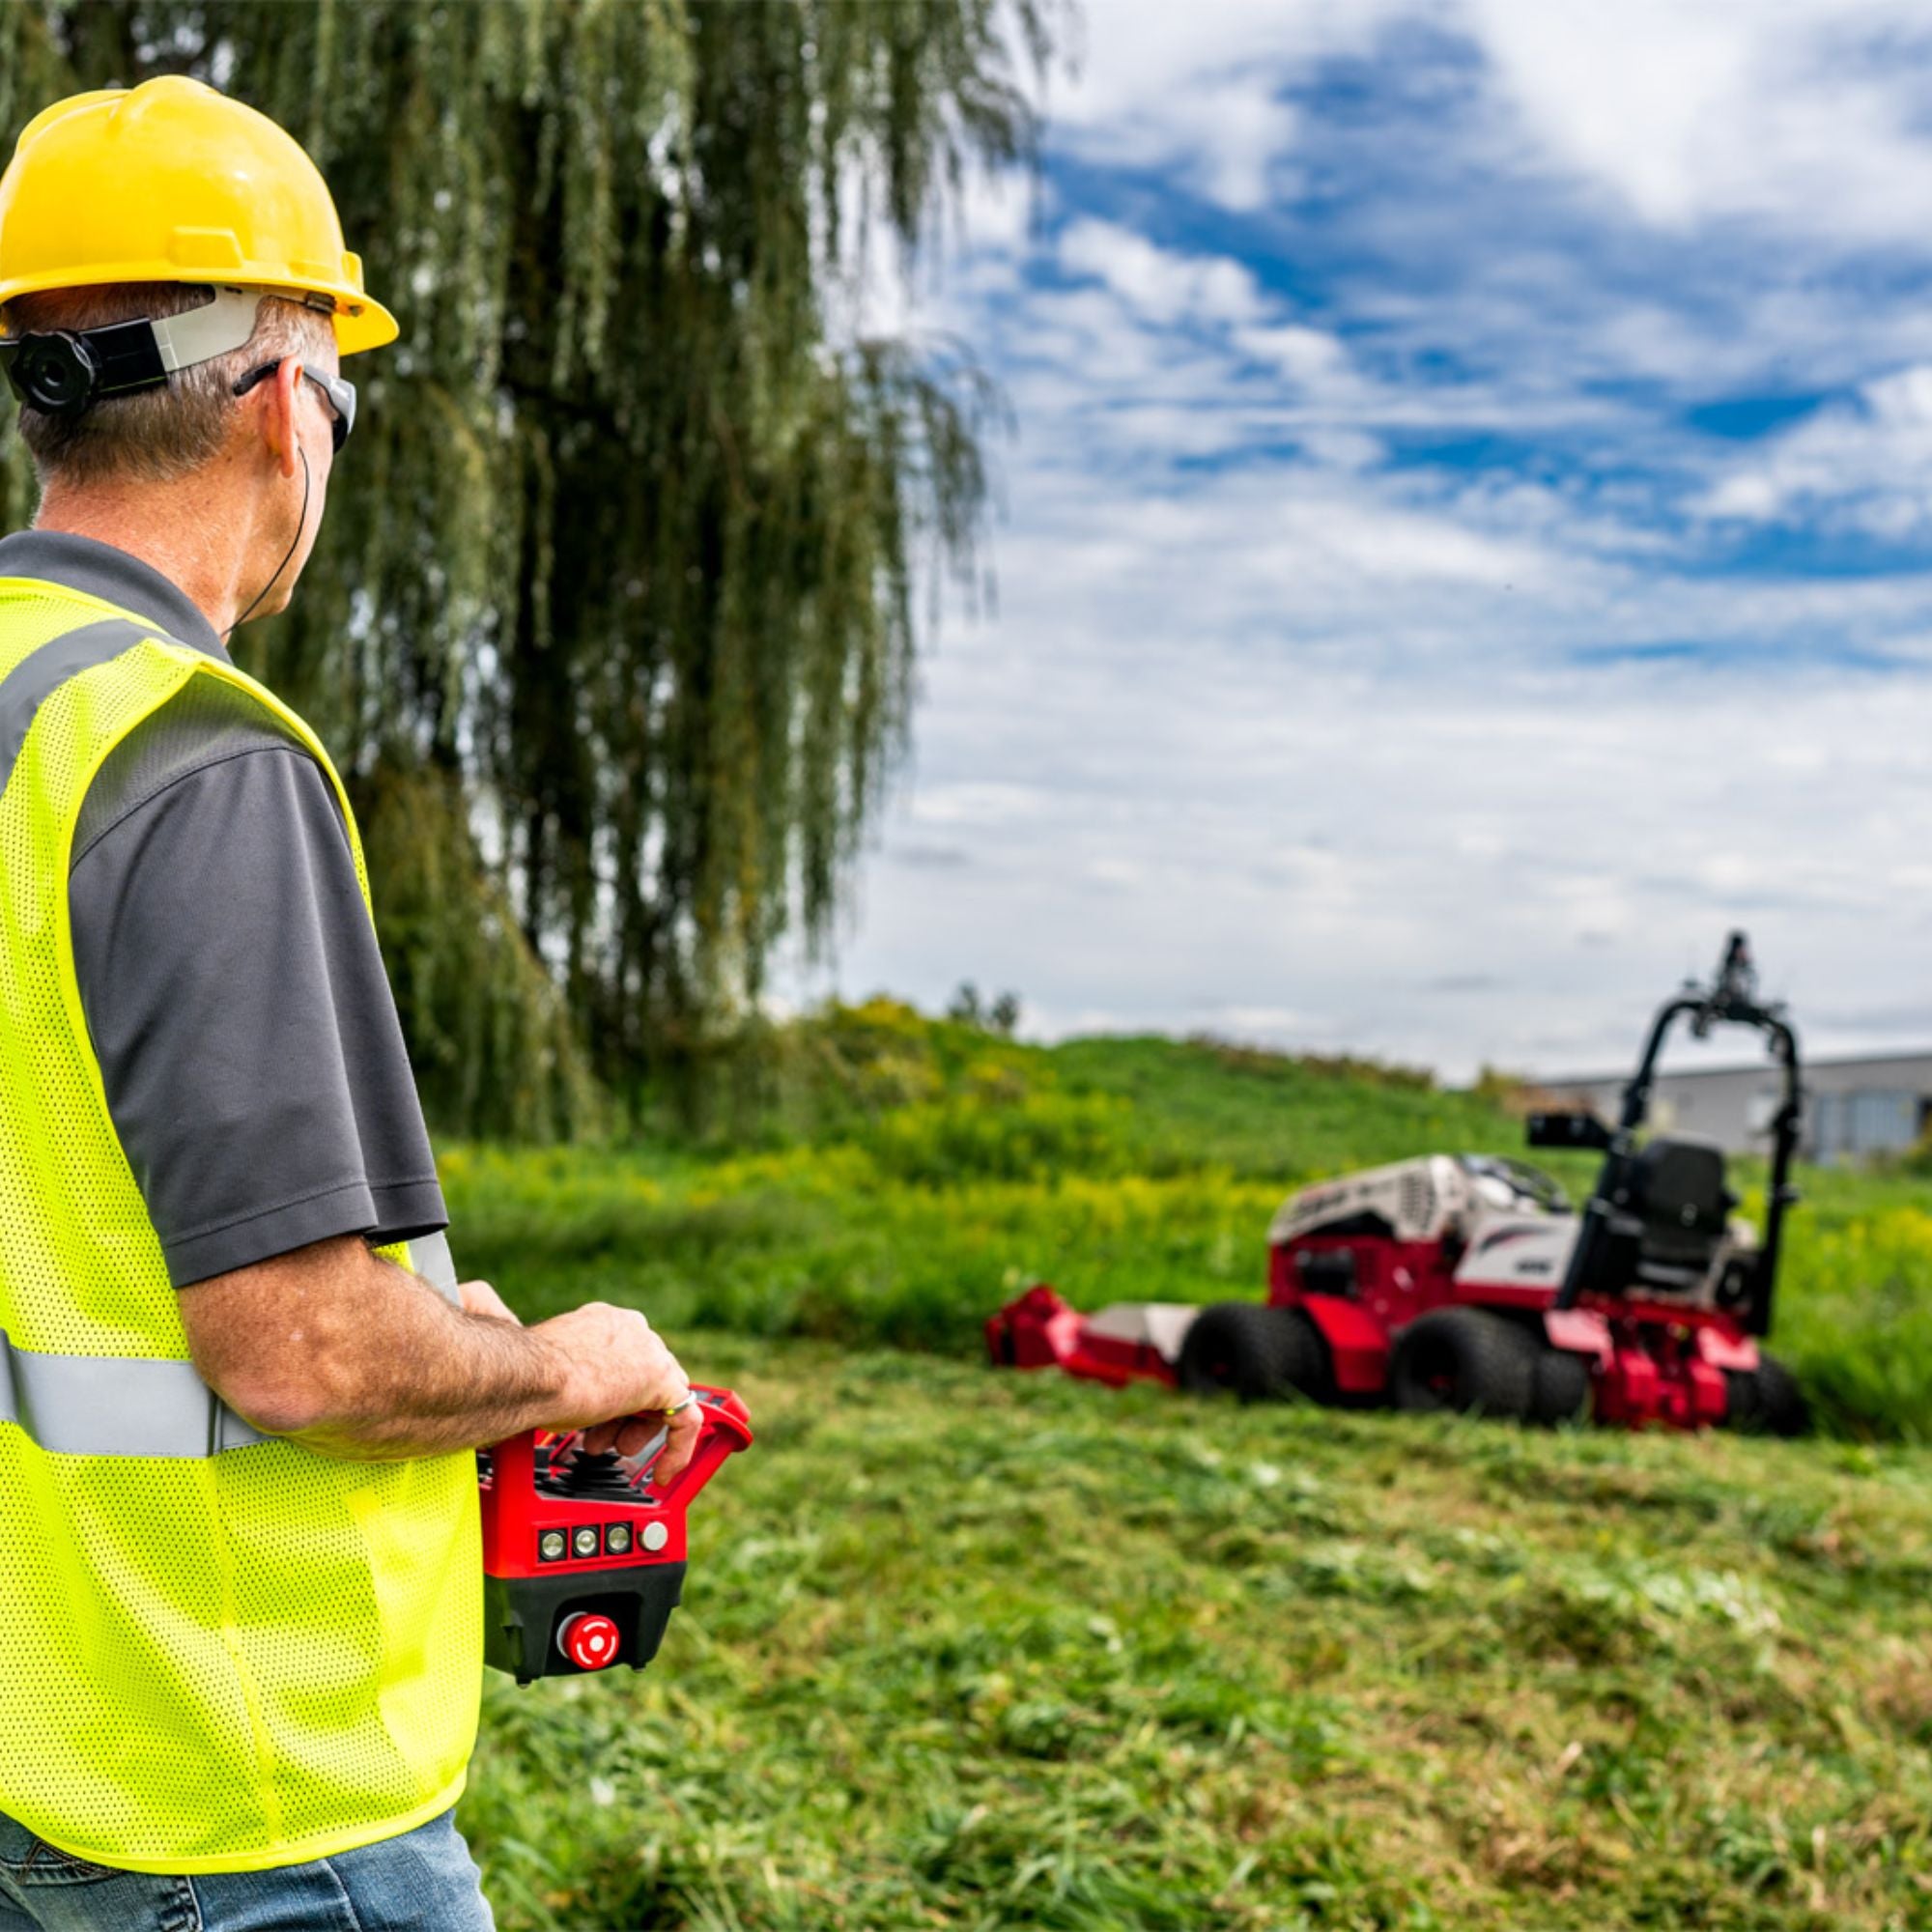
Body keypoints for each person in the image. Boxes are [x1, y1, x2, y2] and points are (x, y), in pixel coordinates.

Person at [0, 77, 700, 1932]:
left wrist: (418, 1320)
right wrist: (569, 1367)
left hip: (34, 1746)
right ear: (283, 402)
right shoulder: (186, 752)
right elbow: (299, 1355)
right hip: (237, 1798)